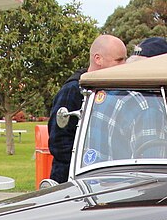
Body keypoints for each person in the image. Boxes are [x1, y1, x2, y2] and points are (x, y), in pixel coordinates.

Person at [46, 34, 127, 184]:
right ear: (98, 59)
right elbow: (59, 141)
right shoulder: (73, 90)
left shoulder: (113, 90)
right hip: (70, 180)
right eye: (119, 60)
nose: (124, 64)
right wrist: (85, 165)